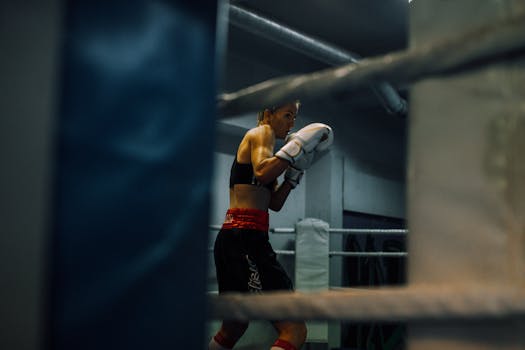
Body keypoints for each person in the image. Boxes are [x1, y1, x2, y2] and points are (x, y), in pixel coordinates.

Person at [209, 101, 333, 350]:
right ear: (267, 114)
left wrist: (294, 174)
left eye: (294, 118)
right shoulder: (261, 132)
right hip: (245, 238)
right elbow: (264, 173)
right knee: (294, 330)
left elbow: (274, 203)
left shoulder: (269, 153)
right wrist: (295, 148)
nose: (291, 123)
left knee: (234, 325)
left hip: (235, 238)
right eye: (287, 115)